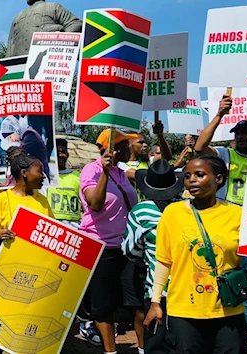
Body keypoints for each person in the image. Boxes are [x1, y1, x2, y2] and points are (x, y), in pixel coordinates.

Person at [144, 156, 247, 353]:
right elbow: (164, 261)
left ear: (218, 179)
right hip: (183, 312)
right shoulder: (172, 213)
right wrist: (155, 302)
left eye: (199, 175)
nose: (191, 180)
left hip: (228, 310)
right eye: (187, 176)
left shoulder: (238, 215)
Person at [0, 154, 54, 354]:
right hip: (3, 269)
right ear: (24, 173)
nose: (43, 176)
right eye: (39, 171)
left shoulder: (42, 201)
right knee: (0, 315)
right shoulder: (2, 199)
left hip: (33, 271)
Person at [79, 129, 138, 354]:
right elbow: (95, 203)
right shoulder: (91, 170)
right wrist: (104, 172)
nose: (128, 148)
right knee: (103, 306)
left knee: (133, 302)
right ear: (110, 149)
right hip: (100, 248)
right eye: (123, 145)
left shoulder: (122, 173)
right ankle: (110, 351)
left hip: (126, 248)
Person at [122, 159, 183, 354]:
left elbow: (130, 249)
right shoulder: (187, 208)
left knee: (159, 343)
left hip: (158, 290)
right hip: (187, 288)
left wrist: (146, 258)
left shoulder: (141, 212)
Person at [195, 95, 247, 206]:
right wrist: (219, 115)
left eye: (245, 133)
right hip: (226, 210)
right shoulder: (226, 154)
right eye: (237, 133)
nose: (240, 136)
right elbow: (199, 148)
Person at [118, 122, 172, 199]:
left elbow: (167, 157)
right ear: (130, 145)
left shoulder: (147, 161)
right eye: (141, 143)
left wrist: (160, 136)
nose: (145, 145)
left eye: (145, 142)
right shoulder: (120, 165)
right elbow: (139, 175)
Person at [46, 138, 82, 229]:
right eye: (57, 152)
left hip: (73, 229)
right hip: (49, 228)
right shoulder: (44, 177)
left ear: (67, 155)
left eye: (63, 152)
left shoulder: (78, 177)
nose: (60, 155)